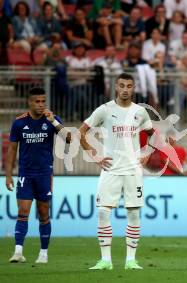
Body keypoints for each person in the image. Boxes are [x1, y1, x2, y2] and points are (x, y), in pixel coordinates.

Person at [79, 73, 153, 270]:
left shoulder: (140, 112)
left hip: (133, 170)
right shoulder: (105, 110)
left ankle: (131, 260)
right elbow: (81, 132)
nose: (126, 89)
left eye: (129, 85)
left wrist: (147, 152)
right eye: (122, 85)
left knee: (134, 213)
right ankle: (106, 260)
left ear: (134, 88)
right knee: (103, 212)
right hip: (111, 170)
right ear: (116, 87)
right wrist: (95, 157)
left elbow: (154, 135)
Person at [5, 87, 71, 264]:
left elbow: (69, 138)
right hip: (25, 173)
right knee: (23, 211)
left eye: (43, 101)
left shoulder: (51, 119)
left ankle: (43, 254)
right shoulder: (19, 123)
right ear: (30, 102)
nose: (41, 105)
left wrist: (54, 122)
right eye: (37, 101)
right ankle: (18, 252)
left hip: (44, 174)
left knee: (43, 213)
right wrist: (9, 174)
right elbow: (12, 150)